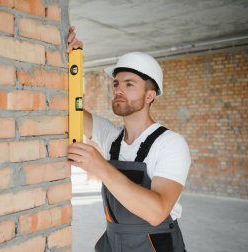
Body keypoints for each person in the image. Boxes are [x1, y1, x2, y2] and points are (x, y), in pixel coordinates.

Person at [66, 26, 191, 252]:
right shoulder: (111, 137)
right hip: (113, 242)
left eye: (129, 84)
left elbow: (157, 212)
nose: (118, 90)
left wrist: (100, 167)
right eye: (116, 84)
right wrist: (73, 60)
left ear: (150, 95)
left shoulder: (171, 144)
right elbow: (70, 107)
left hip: (154, 244)